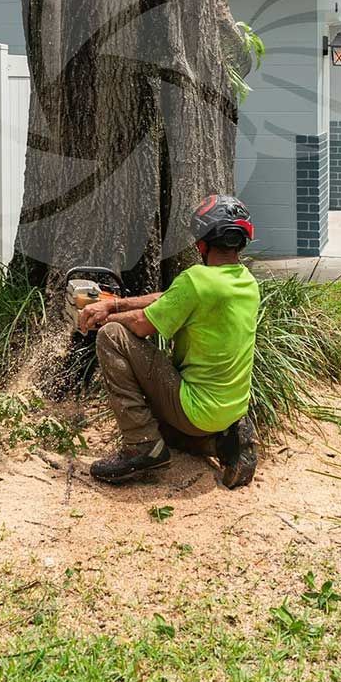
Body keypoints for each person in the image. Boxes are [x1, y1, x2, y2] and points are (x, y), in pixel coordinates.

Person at [78, 194, 260, 489]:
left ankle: (141, 444)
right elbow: (169, 299)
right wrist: (114, 305)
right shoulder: (245, 283)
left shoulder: (196, 281)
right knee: (166, 428)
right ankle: (225, 442)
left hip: (194, 409)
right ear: (241, 241)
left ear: (201, 244)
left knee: (112, 336)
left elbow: (141, 326)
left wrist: (103, 317)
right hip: (230, 410)